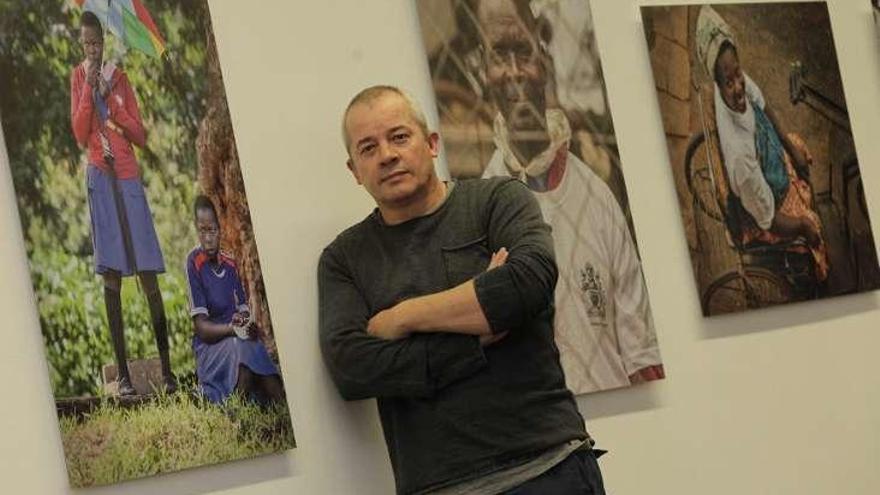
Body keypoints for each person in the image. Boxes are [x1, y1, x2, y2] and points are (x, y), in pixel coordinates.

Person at [319, 85, 605, 495]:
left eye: (400, 137)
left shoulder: (498, 201)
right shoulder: (344, 259)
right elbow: (351, 367)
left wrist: (400, 318)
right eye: (368, 148)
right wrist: (476, 334)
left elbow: (526, 283)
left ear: (431, 143)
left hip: (547, 471)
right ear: (354, 170)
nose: (387, 155)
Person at [470, 0, 663, 394]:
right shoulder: (475, 213)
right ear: (480, 71)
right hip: (538, 432)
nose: (512, 73)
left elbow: (643, 354)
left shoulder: (596, 196)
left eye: (522, 52)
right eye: (497, 56)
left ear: (542, 52)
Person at [70, 11, 174, 395]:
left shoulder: (122, 79)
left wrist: (111, 100)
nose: (92, 50)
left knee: (147, 270)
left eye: (96, 44)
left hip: (127, 175)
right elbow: (80, 133)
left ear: (105, 41)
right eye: (86, 45)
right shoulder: (78, 77)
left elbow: (140, 134)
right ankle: (126, 380)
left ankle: (167, 371)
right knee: (111, 274)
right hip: (100, 175)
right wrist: (88, 92)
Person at [695, 5, 829, 282]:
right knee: (815, 228)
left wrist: (789, 149)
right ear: (718, 85)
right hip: (766, 208)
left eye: (738, 75)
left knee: (797, 145)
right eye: (729, 83)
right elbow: (768, 218)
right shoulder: (740, 159)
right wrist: (803, 226)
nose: (738, 87)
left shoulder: (735, 77)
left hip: (768, 163)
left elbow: (763, 103)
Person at [185, 195, 285, 405]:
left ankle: (281, 403)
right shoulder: (194, 262)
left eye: (212, 230)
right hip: (211, 348)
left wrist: (246, 324)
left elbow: (243, 310)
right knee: (241, 348)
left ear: (220, 228)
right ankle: (237, 408)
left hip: (236, 338)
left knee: (251, 344)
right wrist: (233, 329)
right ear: (197, 230)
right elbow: (201, 328)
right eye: (202, 231)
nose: (208, 238)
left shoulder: (230, 263)